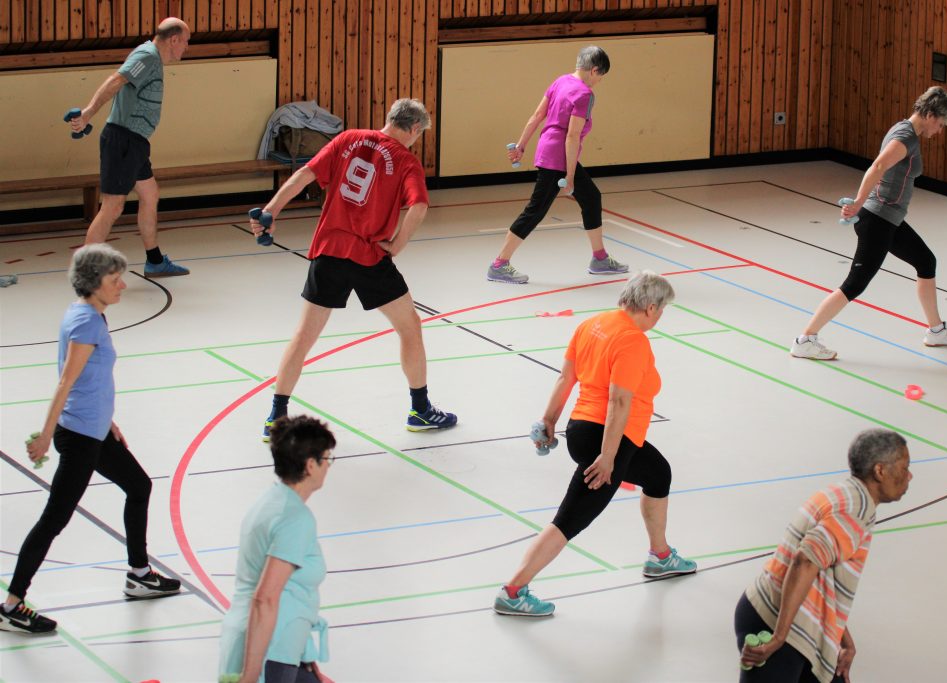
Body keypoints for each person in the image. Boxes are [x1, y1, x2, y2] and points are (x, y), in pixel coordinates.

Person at [0, 245, 180, 636]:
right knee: (54, 519)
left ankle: (139, 574)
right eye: (114, 280)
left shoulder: (89, 315)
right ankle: (11, 604)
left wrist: (109, 419)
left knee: (139, 486)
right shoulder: (86, 323)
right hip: (80, 436)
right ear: (94, 282)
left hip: (96, 430)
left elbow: (90, 380)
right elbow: (66, 380)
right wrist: (45, 436)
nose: (123, 285)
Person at [493, 271, 696, 617]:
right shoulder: (633, 340)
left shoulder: (592, 325)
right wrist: (607, 458)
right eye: (662, 311)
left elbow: (566, 377)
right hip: (609, 441)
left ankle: (660, 556)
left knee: (658, 473)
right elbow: (619, 401)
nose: (660, 318)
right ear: (649, 308)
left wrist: (549, 421)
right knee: (569, 520)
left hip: (580, 430)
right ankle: (513, 590)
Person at [252, 98, 456, 439]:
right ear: (415, 128)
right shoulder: (406, 161)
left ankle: (276, 416)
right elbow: (419, 206)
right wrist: (399, 244)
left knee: (303, 337)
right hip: (369, 256)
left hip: (329, 251)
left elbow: (304, 175)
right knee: (409, 326)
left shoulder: (348, 139)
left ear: (390, 118)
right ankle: (420, 410)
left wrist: (270, 212)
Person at [791, 87, 947, 360]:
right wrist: (859, 201)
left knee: (926, 261)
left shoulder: (905, 130)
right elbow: (878, 167)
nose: (940, 131)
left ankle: (936, 331)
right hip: (878, 220)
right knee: (855, 284)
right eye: (941, 124)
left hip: (889, 219)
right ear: (930, 115)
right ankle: (805, 339)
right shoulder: (905, 137)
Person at [734, 429, 914, 682]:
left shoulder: (848, 494)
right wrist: (778, 637)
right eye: (905, 467)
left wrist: (843, 639)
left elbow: (821, 577)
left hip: (802, 626)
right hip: (777, 622)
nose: (910, 475)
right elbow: (805, 561)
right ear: (880, 471)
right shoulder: (855, 511)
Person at [487, 45, 628, 284]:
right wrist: (570, 175)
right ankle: (499, 264)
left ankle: (600, 258)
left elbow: (537, 115)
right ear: (594, 70)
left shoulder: (561, 81)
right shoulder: (585, 94)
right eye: (601, 76)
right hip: (558, 157)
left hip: (549, 150)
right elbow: (572, 136)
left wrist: (521, 145)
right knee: (535, 210)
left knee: (591, 197)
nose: (600, 81)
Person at [67, 17, 192, 278]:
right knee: (112, 206)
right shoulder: (147, 56)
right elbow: (116, 80)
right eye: (186, 42)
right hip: (123, 140)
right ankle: (85, 270)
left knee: (150, 195)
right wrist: (89, 112)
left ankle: (155, 261)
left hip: (134, 143)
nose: (187, 48)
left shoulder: (151, 57)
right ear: (174, 40)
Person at [219, 416, 335, 683]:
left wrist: (307, 662)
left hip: (270, 645)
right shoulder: (295, 519)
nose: (329, 466)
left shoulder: (271, 502)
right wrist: (250, 676)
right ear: (310, 465)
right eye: (327, 459)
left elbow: (291, 591)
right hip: (268, 652)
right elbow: (266, 598)